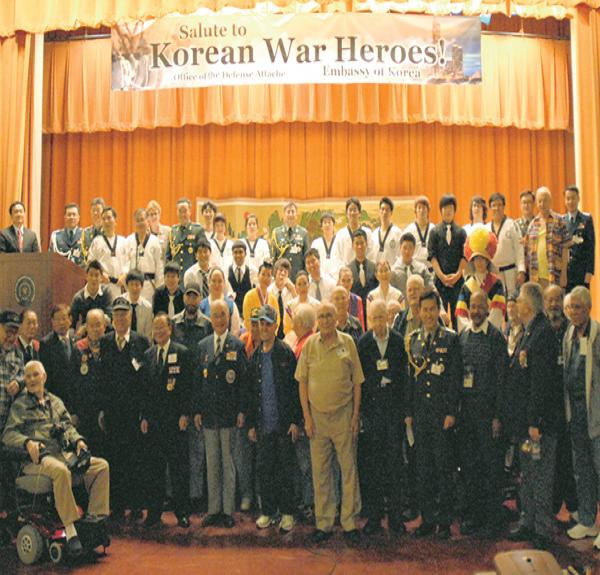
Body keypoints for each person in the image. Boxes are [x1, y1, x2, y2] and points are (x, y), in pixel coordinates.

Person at [2, 361, 109, 557]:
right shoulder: (20, 405)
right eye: (28, 376)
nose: (32, 379)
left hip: (61, 455)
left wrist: (79, 442)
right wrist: (27, 442)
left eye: (35, 375)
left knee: (100, 466)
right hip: (35, 461)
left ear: (44, 377)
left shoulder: (56, 402)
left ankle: (95, 521)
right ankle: (71, 529)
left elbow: (68, 427)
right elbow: (8, 435)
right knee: (60, 470)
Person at [296, 302, 365, 544]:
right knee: (321, 473)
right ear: (317, 320)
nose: (325, 320)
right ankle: (324, 523)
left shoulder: (348, 342)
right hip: (317, 419)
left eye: (329, 316)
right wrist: (307, 417)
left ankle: (349, 522)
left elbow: (357, 382)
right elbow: (302, 383)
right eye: (321, 316)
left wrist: (355, 415)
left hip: (344, 416)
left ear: (336, 319)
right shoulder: (310, 345)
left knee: (348, 470)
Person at [507, 282, 562, 549]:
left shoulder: (543, 334)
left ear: (527, 305)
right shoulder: (530, 331)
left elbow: (541, 384)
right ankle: (528, 521)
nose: (516, 305)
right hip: (526, 423)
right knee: (528, 474)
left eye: (518, 300)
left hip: (539, 424)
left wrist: (534, 422)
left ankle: (542, 528)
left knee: (540, 475)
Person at [405, 289, 462, 539]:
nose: (428, 314)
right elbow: (410, 380)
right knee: (423, 469)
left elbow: (455, 378)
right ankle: (427, 519)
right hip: (421, 416)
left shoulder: (450, 339)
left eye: (432, 309)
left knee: (443, 468)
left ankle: (445, 522)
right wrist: (409, 412)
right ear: (418, 312)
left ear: (439, 311)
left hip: (441, 416)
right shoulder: (413, 340)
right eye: (424, 310)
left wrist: (451, 411)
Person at [247, 304, 301, 533]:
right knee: (265, 470)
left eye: (268, 324)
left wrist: (295, 422)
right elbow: (250, 394)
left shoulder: (285, 353)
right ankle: (268, 511)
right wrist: (251, 424)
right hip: (263, 425)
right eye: (261, 323)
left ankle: (288, 513)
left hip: (283, 425)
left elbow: (296, 389)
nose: (264, 328)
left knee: (285, 470)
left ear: (275, 326)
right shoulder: (255, 357)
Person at [457, 290, 507, 537]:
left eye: (480, 306)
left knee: (491, 469)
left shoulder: (496, 338)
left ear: (488, 309)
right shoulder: (463, 337)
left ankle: (493, 519)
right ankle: (474, 516)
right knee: (470, 467)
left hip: (488, 417)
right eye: (472, 306)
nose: (475, 311)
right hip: (467, 417)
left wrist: (498, 416)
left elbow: (502, 381)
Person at [194, 300, 248, 528]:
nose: (218, 319)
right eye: (215, 315)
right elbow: (198, 382)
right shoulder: (203, 346)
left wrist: (242, 410)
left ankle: (227, 510)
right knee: (212, 463)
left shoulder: (237, 345)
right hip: (208, 415)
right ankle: (214, 509)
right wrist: (197, 410)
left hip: (229, 415)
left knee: (228, 463)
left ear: (228, 317)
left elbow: (243, 382)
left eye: (222, 315)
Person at [358, 300, 408, 535]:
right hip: (372, 414)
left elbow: (403, 376)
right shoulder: (364, 343)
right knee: (373, 467)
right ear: (369, 319)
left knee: (395, 466)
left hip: (394, 415)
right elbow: (360, 378)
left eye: (381, 317)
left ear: (388, 317)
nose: (378, 322)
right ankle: (374, 517)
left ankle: (396, 517)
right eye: (374, 318)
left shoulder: (397, 341)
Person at [98, 297, 150, 519]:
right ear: (112, 318)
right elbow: (101, 379)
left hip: (134, 413)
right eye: (117, 314)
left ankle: (136, 505)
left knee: (136, 459)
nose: (120, 318)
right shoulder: (105, 342)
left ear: (130, 316)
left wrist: (144, 413)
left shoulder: (141, 342)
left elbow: (146, 381)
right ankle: (118, 506)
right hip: (113, 413)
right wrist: (102, 410)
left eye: (124, 314)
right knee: (115, 459)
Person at [141, 313, 192, 528]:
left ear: (170, 329)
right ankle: (154, 513)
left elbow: (188, 387)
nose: (159, 331)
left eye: (162, 327)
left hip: (175, 421)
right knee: (154, 470)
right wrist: (144, 417)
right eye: (155, 327)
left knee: (179, 469)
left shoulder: (182, 353)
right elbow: (143, 389)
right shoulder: (148, 355)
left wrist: (185, 414)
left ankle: (182, 513)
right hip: (154, 423)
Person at [562, 287, 600, 547]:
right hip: (574, 415)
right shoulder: (569, 335)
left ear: (588, 308)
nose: (573, 312)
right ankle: (587, 520)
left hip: (595, 416)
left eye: (577, 307)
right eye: (570, 307)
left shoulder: (597, 335)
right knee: (582, 470)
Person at [171, 282, 212, 513]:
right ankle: (174, 495)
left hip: (198, 388)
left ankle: (196, 496)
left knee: (197, 450)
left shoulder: (206, 324)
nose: (191, 300)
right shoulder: (173, 322)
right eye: (188, 295)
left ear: (200, 299)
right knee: (175, 449)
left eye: (195, 296)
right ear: (184, 298)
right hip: (175, 389)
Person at [544, 284, 578, 523]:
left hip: (570, 408)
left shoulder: (572, 330)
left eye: (558, 299)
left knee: (569, 462)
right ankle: (551, 508)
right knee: (551, 463)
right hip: (548, 410)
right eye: (550, 300)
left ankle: (575, 509)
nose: (554, 304)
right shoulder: (541, 330)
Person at [455, 226, 506, 332]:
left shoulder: (496, 283)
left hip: (491, 333)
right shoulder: (466, 286)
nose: (479, 262)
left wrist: (485, 329)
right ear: (472, 261)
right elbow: (461, 313)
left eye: (482, 258)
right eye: (476, 258)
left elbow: (497, 313)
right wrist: (471, 330)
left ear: (487, 261)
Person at [428, 194, 467, 330]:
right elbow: (432, 257)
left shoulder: (461, 232)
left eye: (450, 208)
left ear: (455, 210)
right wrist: (442, 277)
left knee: (459, 318)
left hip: (458, 282)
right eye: (445, 208)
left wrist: (457, 275)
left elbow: (464, 256)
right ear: (441, 210)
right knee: (440, 317)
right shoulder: (434, 232)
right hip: (440, 282)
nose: (448, 211)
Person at [72, 309, 106, 455]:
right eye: (91, 325)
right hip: (84, 412)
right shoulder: (78, 348)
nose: (95, 329)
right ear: (86, 327)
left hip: (106, 411)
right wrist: (74, 412)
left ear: (104, 326)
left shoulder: (111, 345)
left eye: (98, 325)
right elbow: (72, 383)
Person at [524, 186, 571, 288]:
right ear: (536, 203)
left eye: (545, 200)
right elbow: (527, 251)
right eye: (539, 201)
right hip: (536, 278)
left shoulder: (559, 221)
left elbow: (565, 248)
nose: (542, 204)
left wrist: (564, 273)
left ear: (550, 201)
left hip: (554, 275)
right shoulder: (532, 224)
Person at [39, 304, 77, 411]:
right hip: (57, 401)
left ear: (70, 320)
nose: (61, 323)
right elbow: (46, 378)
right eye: (57, 319)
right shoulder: (46, 344)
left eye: (64, 318)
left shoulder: (77, 339)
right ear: (52, 321)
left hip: (76, 401)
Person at [487, 192, 526, 296]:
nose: (497, 208)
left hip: (510, 272)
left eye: (499, 205)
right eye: (494, 205)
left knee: (512, 301)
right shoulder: (486, 228)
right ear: (490, 208)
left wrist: (521, 270)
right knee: (496, 301)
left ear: (504, 206)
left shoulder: (512, 225)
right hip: (493, 273)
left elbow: (519, 249)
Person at [87, 206, 129, 300]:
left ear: (115, 221)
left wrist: (125, 275)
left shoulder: (123, 241)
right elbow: (90, 263)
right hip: (103, 284)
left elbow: (129, 262)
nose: (106, 221)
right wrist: (101, 274)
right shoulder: (97, 241)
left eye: (109, 218)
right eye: (103, 219)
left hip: (120, 285)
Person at [126, 208, 163, 302]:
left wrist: (159, 289)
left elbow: (159, 267)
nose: (140, 223)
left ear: (147, 221)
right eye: (137, 220)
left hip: (149, 285)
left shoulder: (155, 241)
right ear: (134, 223)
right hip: (132, 285)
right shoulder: (129, 240)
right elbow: (125, 264)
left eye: (142, 220)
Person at [166, 197, 207, 280]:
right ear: (176, 212)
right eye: (180, 211)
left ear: (190, 212)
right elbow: (168, 257)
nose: (182, 214)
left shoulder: (197, 230)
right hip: (175, 279)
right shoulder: (173, 231)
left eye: (185, 211)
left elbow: (204, 254)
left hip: (193, 276)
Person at [563, 185, 595, 292]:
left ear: (578, 199)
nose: (570, 201)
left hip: (581, 272)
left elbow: (590, 247)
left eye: (573, 198)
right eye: (568, 198)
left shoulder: (586, 219)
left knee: (582, 300)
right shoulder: (561, 221)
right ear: (565, 201)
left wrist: (589, 271)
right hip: (566, 273)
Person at [271, 201, 309, 281]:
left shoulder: (303, 233)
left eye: (293, 212)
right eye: (288, 212)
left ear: (296, 215)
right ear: (284, 215)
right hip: (281, 277)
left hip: (298, 278)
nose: (291, 214)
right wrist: (274, 277)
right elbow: (274, 258)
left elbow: (306, 258)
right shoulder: (277, 233)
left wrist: (305, 277)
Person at [70, 260, 112, 330]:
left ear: (101, 278)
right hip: (87, 333)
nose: (93, 278)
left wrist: (87, 326)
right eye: (91, 275)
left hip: (105, 331)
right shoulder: (79, 297)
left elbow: (109, 317)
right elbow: (72, 323)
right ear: (86, 276)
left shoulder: (106, 292)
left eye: (96, 275)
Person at [0, 311, 24, 433]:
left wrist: (18, 383)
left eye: (15, 333)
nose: (11, 337)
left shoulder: (18, 354)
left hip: (8, 424)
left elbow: (23, 376)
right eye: (8, 332)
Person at [199, 267, 241, 337]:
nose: (217, 285)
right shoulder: (202, 306)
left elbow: (235, 332)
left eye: (220, 281)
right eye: (213, 281)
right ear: (208, 283)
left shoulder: (231, 305)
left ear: (224, 283)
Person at [348, 229, 378, 327]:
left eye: (362, 243)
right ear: (352, 246)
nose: (360, 246)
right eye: (357, 243)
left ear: (366, 244)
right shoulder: (348, 270)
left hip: (373, 315)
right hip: (354, 316)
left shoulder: (374, 268)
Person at [332, 197, 373, 267]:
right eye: (350, 210)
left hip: (364, 269)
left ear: (360, 213)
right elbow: (336, 256)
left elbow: (372, 253)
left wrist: (364, 267)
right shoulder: (340, 234)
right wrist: (345, 270)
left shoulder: (368, 232)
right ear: (346, 214)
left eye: (355, 210)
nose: (352, 213)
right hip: (346, 271)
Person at [391, 232, 434, 298]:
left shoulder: (422, 269)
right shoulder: (393, 271)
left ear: (414, 249)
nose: (407, 251)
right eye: (404, 248)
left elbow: (430, 288)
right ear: (400, 248)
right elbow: (391, 292)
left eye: (410, 248)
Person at [243, 260, 280, 332]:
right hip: (253, 335)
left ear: (272, 278)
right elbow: (247, 319)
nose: (265, 278)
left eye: (269, 275)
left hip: (269, 336)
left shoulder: (273, 299)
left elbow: (277, 320)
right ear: (258, 275)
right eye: (263, 274)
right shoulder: (249, 296)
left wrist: (271, 334)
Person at [369, 197, 403, 266]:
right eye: (382, 209)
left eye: (387, 210)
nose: (384, 212)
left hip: (393, 270)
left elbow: (400, 256)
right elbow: (371, 256)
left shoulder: (398, 233)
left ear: (391, 213)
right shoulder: (374, 234)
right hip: (377, 271)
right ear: (379, 211)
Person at [403, 196, 435, 268]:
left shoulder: (433, 229)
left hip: (430, 268)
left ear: (428, 210)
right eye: (419, 208)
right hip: (414, 269)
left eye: (424, 208)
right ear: (415, 211)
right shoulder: (409, 230)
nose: (422, 210)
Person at [268, 259, 296, 339]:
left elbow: (298, 307)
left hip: (288, 333)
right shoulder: (269, 291)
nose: (283, 273)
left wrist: (293, 289)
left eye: (285, 272)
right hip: (272, 332)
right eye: (280, 270)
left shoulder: (291, 291)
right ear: (275, 272)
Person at [124, 269, 153, 340]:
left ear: (142, 286)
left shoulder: (148, 307)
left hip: (141, 343)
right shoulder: (120, 302)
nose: (134, 288)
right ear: (127, 286)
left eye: (137, 285)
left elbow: (148, 334)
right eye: (131, 284)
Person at [310, 211, 339, 281]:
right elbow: (312, 261)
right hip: (320, 279)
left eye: (329, 222)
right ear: (321, 227)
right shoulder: (316, 243)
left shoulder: (339, 241)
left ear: (333, 225)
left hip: (337, 279)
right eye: (325, 222)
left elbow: (342, 261)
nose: (327, 225)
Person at [243, 213, 271, 284]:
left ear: (257, 228)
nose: (252, 226)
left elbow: (266, 263)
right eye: (249, 224)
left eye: (254, 224)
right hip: (244, 280)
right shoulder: (242, 243)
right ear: (246, 227)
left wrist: (258, 273)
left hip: (260, 280)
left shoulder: (264, 243)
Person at [228, 240, 253, 316]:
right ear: (232, 254)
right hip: (231, 313)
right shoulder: (226, 271)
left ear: (245, 254)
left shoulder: (253, 272)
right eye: (235, 252)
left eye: (240, 252)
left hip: (247, 313)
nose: (238, 255)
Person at [338, 266, 365, 331]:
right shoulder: (334, 301)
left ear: (352, 281)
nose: (346, 284)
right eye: (343, 280)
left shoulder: (358, 300)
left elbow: (361, 325)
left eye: (349, 280)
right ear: (339, 281)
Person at [80, 197, 105, 262]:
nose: (95, 213)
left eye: (98, 210)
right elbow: (82, 255)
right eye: (93, 210)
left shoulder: (108, 232)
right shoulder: (86, 233)